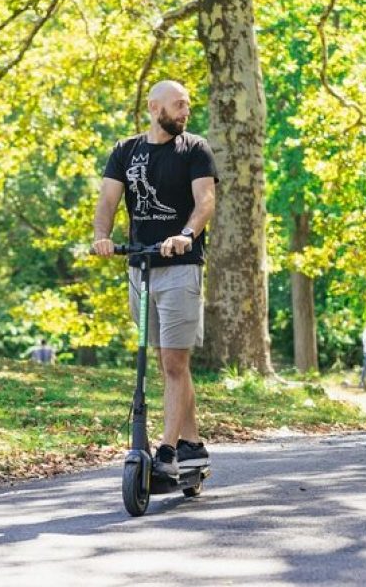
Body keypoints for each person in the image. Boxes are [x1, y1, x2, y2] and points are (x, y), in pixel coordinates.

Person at [92, 80, 218, 478]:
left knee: (175, 360)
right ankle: (193, 444)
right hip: (140, 268)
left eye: (188, 106)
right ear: (154, 107)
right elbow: (108, 201)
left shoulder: (195, 149)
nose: (186, 112)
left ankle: (166, 451)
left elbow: (206, 201)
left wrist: (186, 234)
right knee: (167, 363)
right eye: (179, 105)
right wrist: (102, 237)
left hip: (181, 267)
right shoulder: (125, 151)